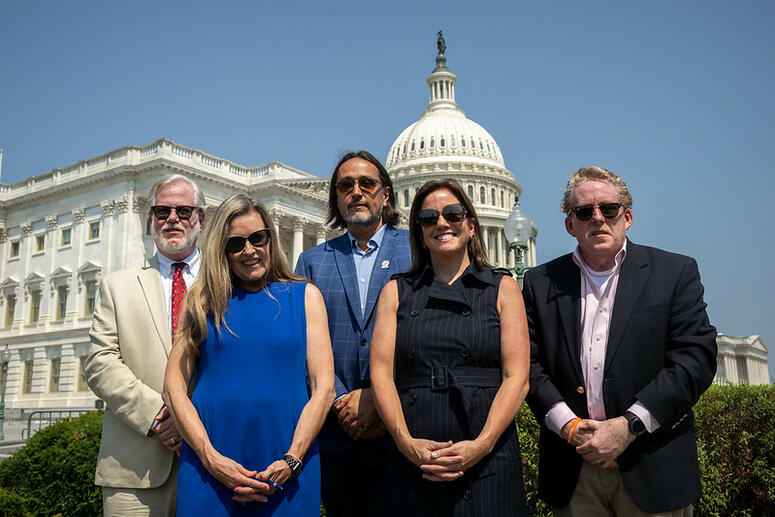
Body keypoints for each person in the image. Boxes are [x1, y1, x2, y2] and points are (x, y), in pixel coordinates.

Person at [523, 166, 717, 515]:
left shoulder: (674, 272)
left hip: (652, 464)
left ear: (627, 217)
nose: (597, 218)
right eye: (584, 212)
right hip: (573, 469)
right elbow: (528, 365)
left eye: (608, 209)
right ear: (570, 225)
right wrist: (570, 427)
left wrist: (629, 426)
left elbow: (695, 360)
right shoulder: (540, 283)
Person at [162, 194, 335, 516]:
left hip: (290, 469)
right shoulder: (201, 302)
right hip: (209, 471)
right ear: (222, 252)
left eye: (258, 238)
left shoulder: (306, 296)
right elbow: (173, 388)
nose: (250, 251)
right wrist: (211, 459)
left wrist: (292, 459)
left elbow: (324, 389)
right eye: (236, 244)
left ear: (271, 238)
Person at [370, 179, 530, 517]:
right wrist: (406, 443)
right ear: (419, 233)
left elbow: (517, 377)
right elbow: (381, 376)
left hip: (489, 458)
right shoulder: (396, 292)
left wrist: (482, 444)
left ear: (471, 225)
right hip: (413, 459)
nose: (441, 223)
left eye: (453, 214)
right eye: (428, 218)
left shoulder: (503, 288)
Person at [294, 150, 412, 517]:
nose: (356, 192)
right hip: (336, 435)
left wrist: (379, 397)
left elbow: (428, 337)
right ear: (336, 197)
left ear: (386, 195)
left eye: (367, 184)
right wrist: (340, 401)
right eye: (346, 185)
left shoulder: (417, 251)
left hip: (404, 432)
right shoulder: (312, 261)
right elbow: (304, 344)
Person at [85, 173, 205, 516]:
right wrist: (160, 417)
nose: (172, 219)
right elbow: (99, 362)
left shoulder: (224, 284)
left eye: (183, 211)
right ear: (150, 218)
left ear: (200, 219)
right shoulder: (117, 285)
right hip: (133, 470)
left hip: (214, 463)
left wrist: (193, 424)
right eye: (162, 210)